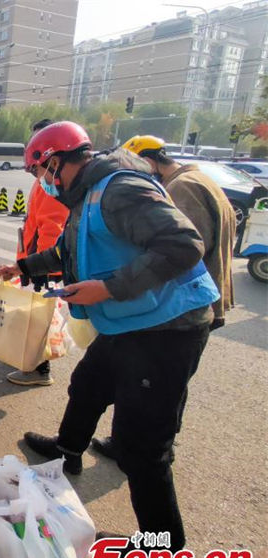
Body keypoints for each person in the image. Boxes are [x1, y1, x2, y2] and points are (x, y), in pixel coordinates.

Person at [0, 121, 218, 558]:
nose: (42, 181)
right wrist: (24, 267)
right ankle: (68, 451)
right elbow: (68, 250)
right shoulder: (86, 197)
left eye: (40, 171)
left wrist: (110, 288)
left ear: (55, 161)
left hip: (165, 329)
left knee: (143, 449)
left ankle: (167, 557)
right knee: (89, 383)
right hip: (129, 321)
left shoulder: (120, 189)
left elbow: (183, 245)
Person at [90, 135, 238, 460]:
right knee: (165, 384)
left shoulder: (182, 188)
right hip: (203, 298)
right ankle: (143, 443)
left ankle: (154, 448)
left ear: (151, 162)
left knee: (159, 386)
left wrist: (114, 285)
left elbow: (178, 251)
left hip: (185, 305)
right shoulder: (201, 179)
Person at [7, 120, 70, 386]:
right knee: (37, 315)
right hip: (33, 258)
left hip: (42, 262)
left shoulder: (53, 182)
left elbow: (52, 227)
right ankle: (33, 361)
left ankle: (38, 369)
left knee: (40, 317)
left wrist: (38, 266)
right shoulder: (43, 179)